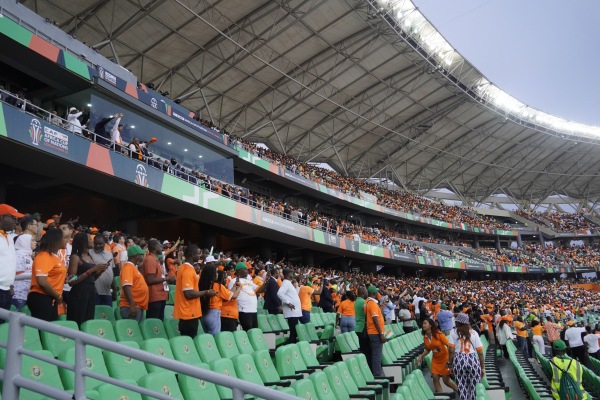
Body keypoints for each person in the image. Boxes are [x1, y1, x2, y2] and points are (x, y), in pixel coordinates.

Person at [66, 232, 109, 326]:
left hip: (90, 292)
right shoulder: (75, 257)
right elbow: (71, 281)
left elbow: (91, 278)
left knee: (87, 321)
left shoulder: (89, 256)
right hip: (79, 293)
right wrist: (92, 269)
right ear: (83, 242)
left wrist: (100, 271)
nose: (92, 241)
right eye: (89, 239)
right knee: (78, 321)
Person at [174, 245, 215, 337]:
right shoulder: (187, 270)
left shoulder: (188, 269)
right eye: (198, 253)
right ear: (192, 255)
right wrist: (206, 292)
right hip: (188, 313)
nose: (200, 255)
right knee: (188, 341)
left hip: (190, 313)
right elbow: (188, 294)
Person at [27, 229, 67, 321]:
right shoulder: (44, 256)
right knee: (44, 331)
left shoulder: (53, 257)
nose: (66, 240)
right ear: (56, 240)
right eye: (64, 238)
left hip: (51, 298)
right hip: (41, 297)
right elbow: (42, 281)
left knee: (49, 331)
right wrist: (58, 296)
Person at [447, 313, 485, 400]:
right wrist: (482, 367)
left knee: (461, 385)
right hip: (472, 359)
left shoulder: (453, 332)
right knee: (474, 386)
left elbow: (451, 350)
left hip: (458, 359)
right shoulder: (474, 333)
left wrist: (450, 364)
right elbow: (480, 352)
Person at [416, 318, 458, 395]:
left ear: (430, 325)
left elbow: (448, 345)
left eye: (425, 323)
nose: (423, 325)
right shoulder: (425, 337)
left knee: (446, 381)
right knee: (435, 378)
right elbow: (428, 349)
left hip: (445, 359)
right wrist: (421, 356)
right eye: (423, 324)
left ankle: (459, 391)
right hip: (435, 360)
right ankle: (441, 396)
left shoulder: (439, 334)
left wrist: (451, 359)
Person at [227, 262, 268, 331]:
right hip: (243, 310)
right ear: (239, 271)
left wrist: (266, 282)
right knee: (248, 331)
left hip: (253, 310)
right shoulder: (233, 281)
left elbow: (259, 290)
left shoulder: (249, 281)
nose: (247, 271)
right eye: (245, 269)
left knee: (254, 332)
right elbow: (231, 295)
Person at [142, 239, 174, 320]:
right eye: (160, 246)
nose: (162, 247)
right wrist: (166, 278)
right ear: (155, 248)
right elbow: (150, 280)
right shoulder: (150, 259)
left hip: (161, 296)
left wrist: (167, 279)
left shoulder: (156, 260)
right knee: (153, 324)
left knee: (159, 324)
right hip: (154, 297)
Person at [0, 204, 23, 313]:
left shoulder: (9, 236)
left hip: (7, 289)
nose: (16, 221)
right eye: (13, 218)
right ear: (2, 217)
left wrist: (10, 283)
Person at [119, 245, 149, 321]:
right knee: (132, 330)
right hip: (130, 306)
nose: (143, 256)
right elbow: (126, 287)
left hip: (137, 306)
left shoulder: (133, 267)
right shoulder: (128, 268)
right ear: (136, 256)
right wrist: (132, 305)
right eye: (141, 254)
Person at [88, 234, 115, 306]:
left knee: (108, 314)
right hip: (95, 292)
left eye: (100, 244)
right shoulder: (89, 253)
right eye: (96, 244)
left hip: (107, 292)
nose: (97, 246)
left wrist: (114, 289)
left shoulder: (109, 254)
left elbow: (111, 272)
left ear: (105, 243)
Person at [365, 285, 386, 377]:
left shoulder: (368, 302)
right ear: (374, 293)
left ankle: (376, 373)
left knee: (375, 354)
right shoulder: (372, 303)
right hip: (375, 332)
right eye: (377, 292)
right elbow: (375, 319)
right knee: (377, 355)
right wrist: (381, 333)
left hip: (372, 332)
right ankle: (377, 374)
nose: (378, 294)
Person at [277, 268, 302, 343]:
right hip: (292, 312)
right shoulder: (286, 283)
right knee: (293, 332)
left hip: (294, 312)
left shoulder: (288, 283)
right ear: (287, 274)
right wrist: (288, 303)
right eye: (291, 273)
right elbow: (279, 293)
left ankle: (292, 345)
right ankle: (292, 346)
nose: (293, 274)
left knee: (294, 332)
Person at [11, 233, 36, 311]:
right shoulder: (19, 255)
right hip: (18, 293)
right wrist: (34, 275)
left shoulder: (27, 255)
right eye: (32, 240)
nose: (35, 242)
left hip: (26, 293)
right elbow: (15, 275)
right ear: (24, 242)